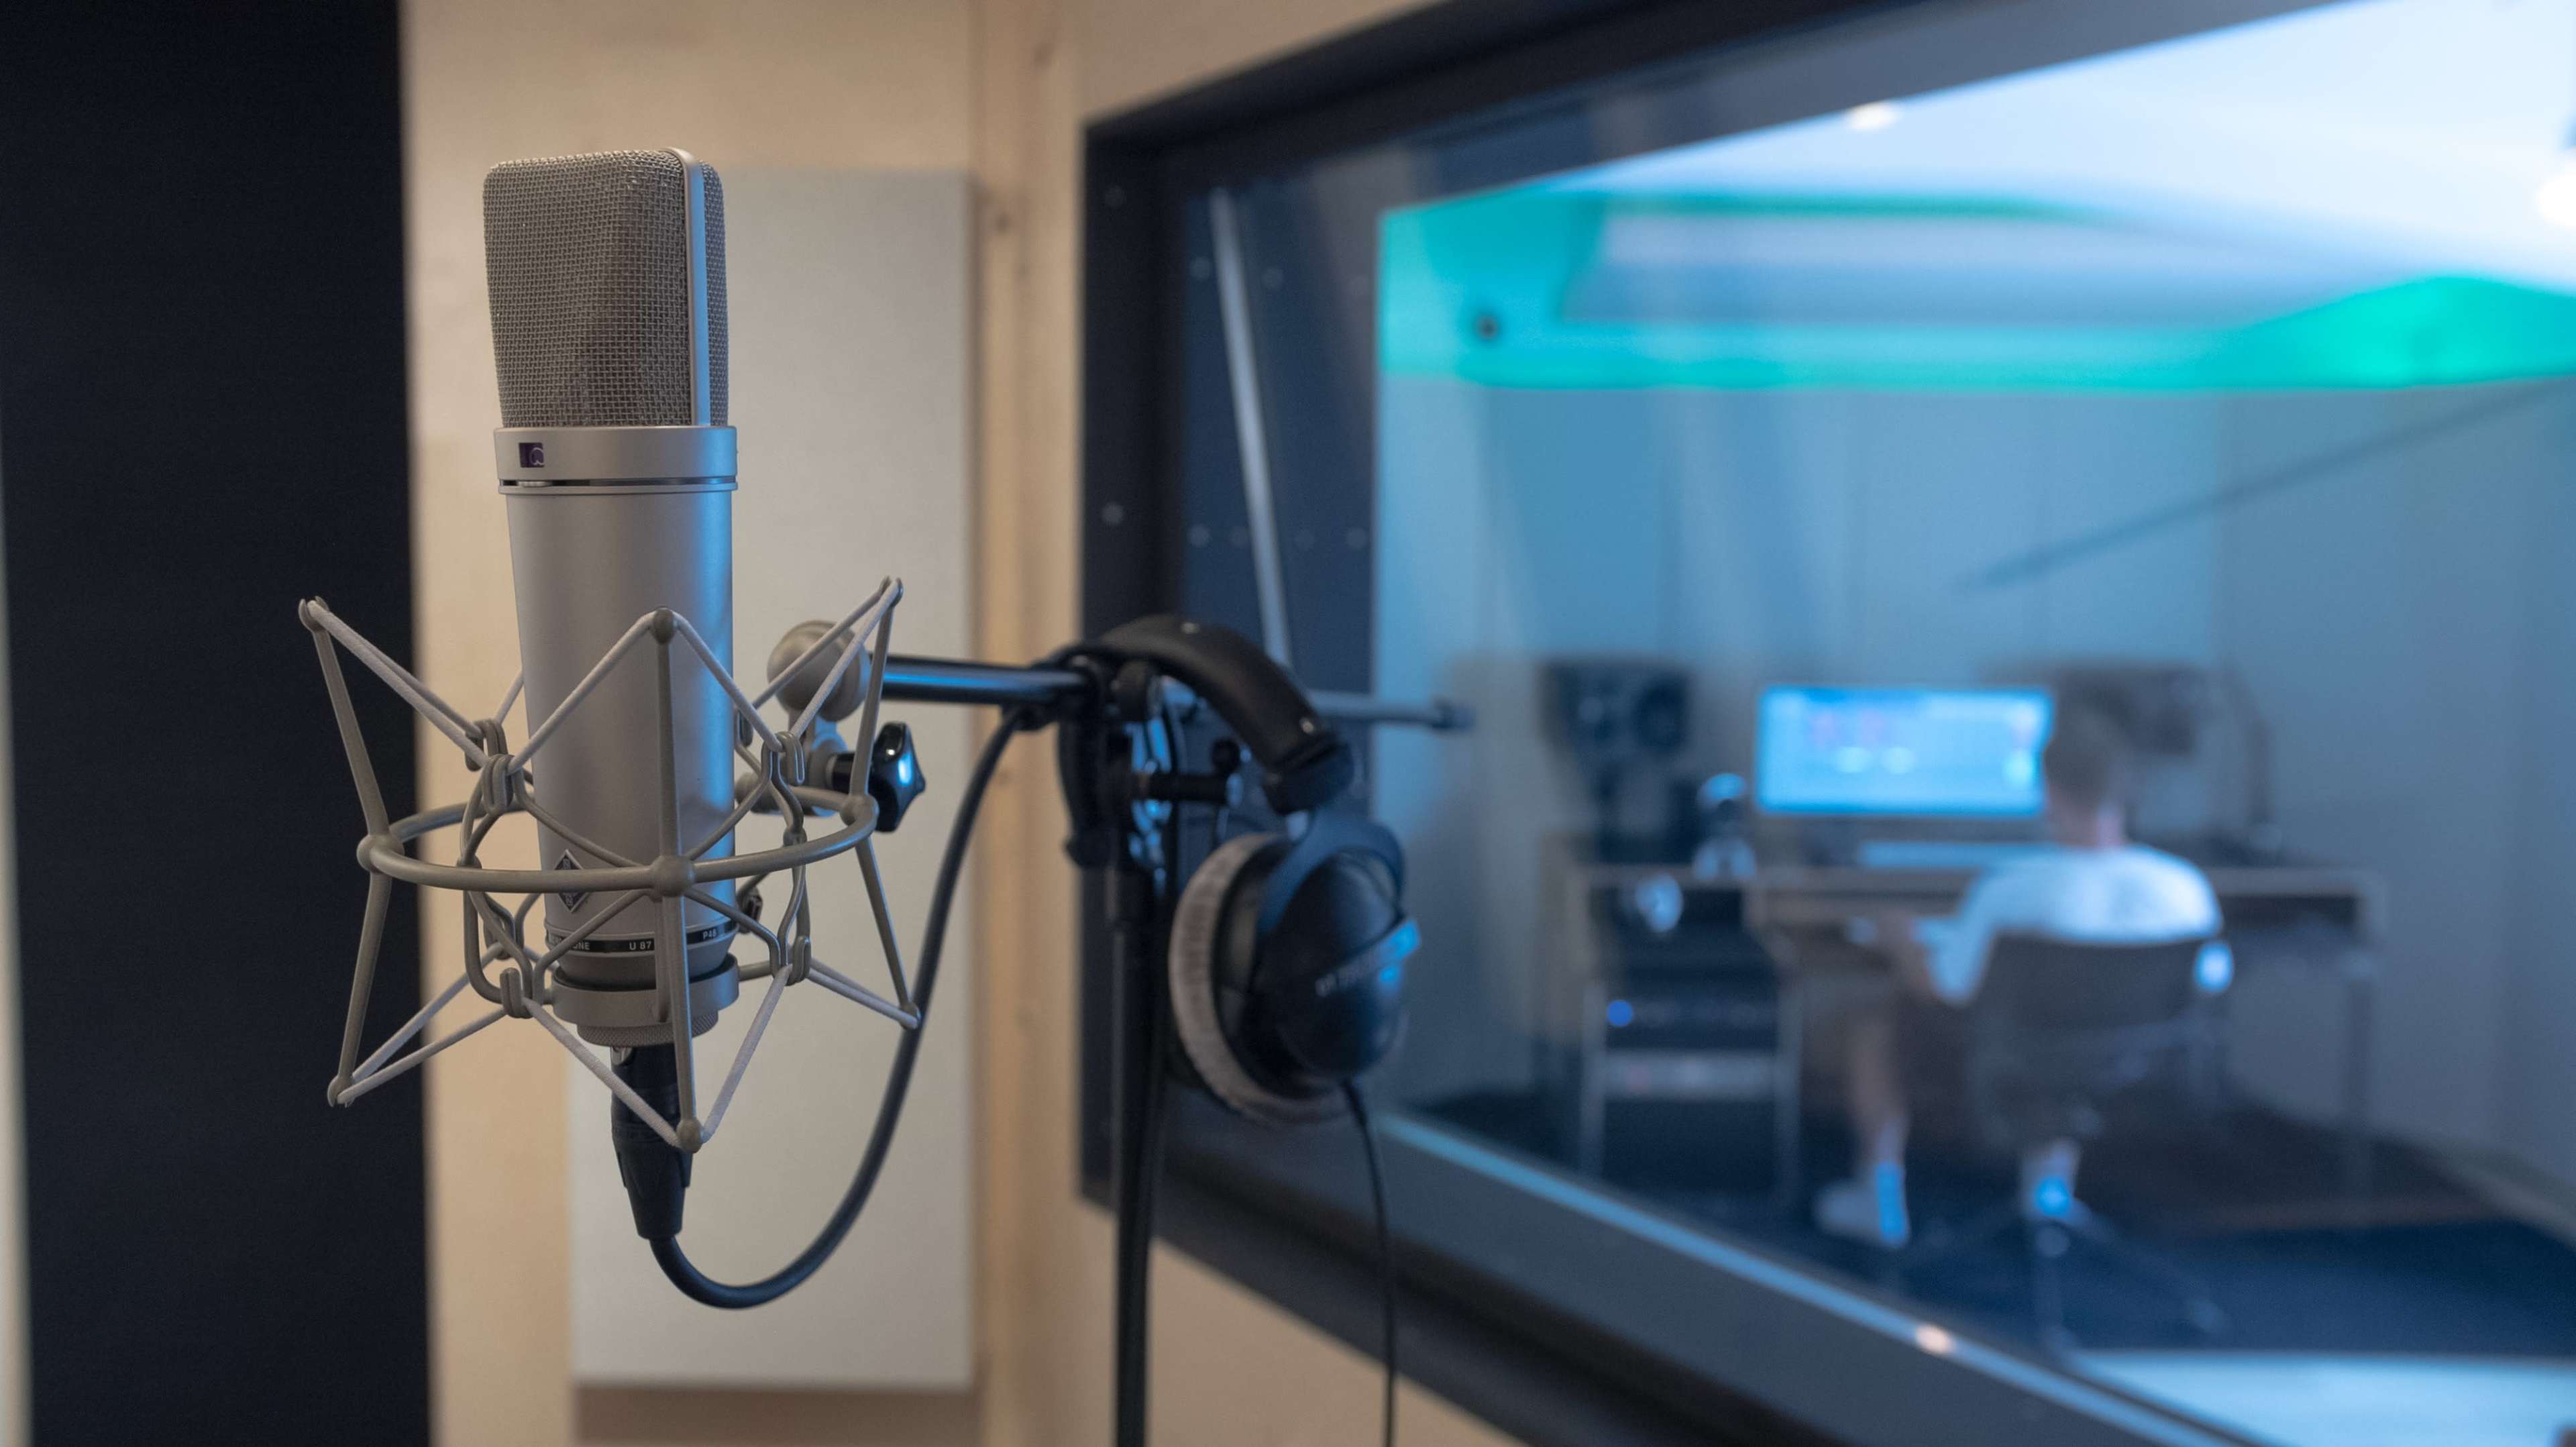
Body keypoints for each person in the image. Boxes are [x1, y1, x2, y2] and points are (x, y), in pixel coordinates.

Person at [1813, 706, 2220, 1249]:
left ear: (2049, 791)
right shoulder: (2185, 889)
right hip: (2135, 1072)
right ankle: (2049, 1195)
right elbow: (2210, 981)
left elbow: (1945, 988)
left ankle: (1879, 1201)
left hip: (2002, 1070)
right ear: (2127, 791)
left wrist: (1901, 941)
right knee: (2075, 1026)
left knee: (1874, 1024)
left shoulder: (2013, 888)